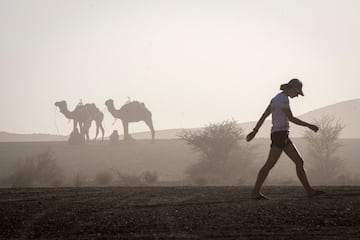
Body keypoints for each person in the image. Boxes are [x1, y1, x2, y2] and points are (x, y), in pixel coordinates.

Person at [246, 79, 324, 200]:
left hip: (281, 134)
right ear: (291, 88)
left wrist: (255, 131)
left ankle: (309, 191)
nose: (297, 95)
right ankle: (255, 193)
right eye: (297, 92)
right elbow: (291, 118)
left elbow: (264, 115)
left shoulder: (276, 98)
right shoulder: (283, 99)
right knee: (269, 165)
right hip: (280, 135)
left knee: (299, 162)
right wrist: (309, 126)